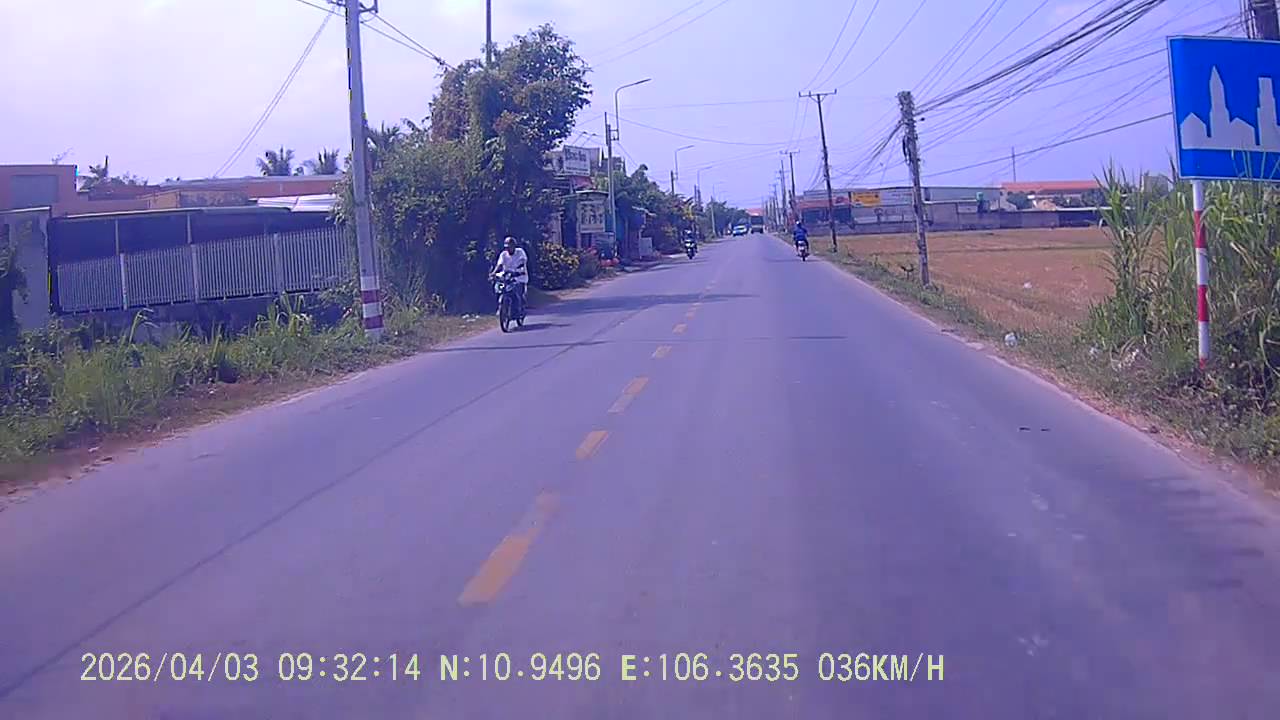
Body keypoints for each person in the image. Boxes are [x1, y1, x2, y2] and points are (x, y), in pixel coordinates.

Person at [491, 236, 528, 315]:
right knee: (499, 288)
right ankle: (501, 307)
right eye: (507, 247)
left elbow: (522, 262)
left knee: (517, 291)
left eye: (510, 247)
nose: (508, 249)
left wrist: (519, 271)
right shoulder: (503, 254)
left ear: (514, 246)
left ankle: (519, 308)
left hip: (519, 276)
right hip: (506, 275)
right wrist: (493, 273)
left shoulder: (520, 252)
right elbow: (499, 265)